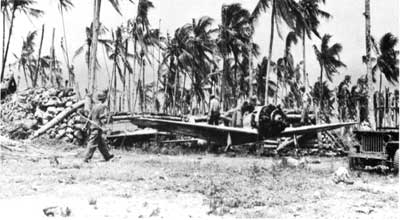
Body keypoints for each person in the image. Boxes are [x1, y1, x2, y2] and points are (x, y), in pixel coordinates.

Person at [84, 90, 114, 162]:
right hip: (97, 127)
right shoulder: (103, 106)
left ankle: (107, 156)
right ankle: (86, 158)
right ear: (104, 98)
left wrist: (86, 125)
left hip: (94, 126)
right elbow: (101, 118)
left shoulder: (94, 107)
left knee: (101, 144)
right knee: (92, 143)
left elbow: (89, 117)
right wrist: (107, 118)